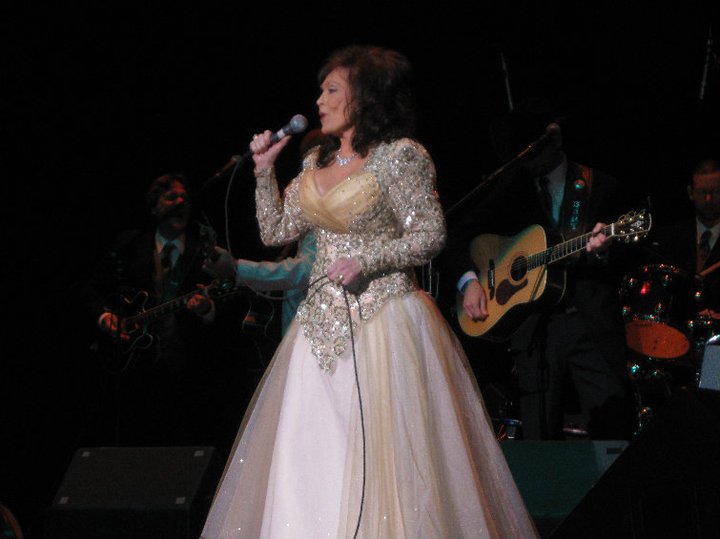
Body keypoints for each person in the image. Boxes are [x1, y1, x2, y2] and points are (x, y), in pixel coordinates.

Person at [200, 45, 538, 539]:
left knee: (383, 451)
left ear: (364, 97)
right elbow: (275, 231)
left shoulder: (401, 156)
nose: (319, 100)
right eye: (321, 90)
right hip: (317, 330)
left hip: (383, 319)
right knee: (310, 447)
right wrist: (264, 171)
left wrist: (368, 260)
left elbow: (430, 235)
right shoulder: (314, 160)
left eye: (331, 90)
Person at [451, 96, 637, 441]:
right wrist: (470, 282)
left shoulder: (600, 186)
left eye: (534, 151)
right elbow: (460, 232)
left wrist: (602, 251)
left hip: (589, 322)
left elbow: (629, 258)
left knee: (611, 430)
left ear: (555, 140)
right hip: (533, 326)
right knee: (537, 434)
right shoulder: (513, 186)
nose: (529, 161)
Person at [81, 172, 240, 451]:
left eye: (184, 198)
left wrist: (207, 309)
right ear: (155, 207)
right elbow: (91, 288)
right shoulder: (130, 245)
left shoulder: (204, 250)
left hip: (187, 371)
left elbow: (230, 302)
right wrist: (106, 317)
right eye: (171, 198)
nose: (180, 203)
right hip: (133, 369)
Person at [642, 158, 720, 358]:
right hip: (672, 340)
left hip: (716, 343)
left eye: (716, 192)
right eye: (703, 192)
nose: (709, 199)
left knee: (712, 375)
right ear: (691, 193)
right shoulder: (669, 238)